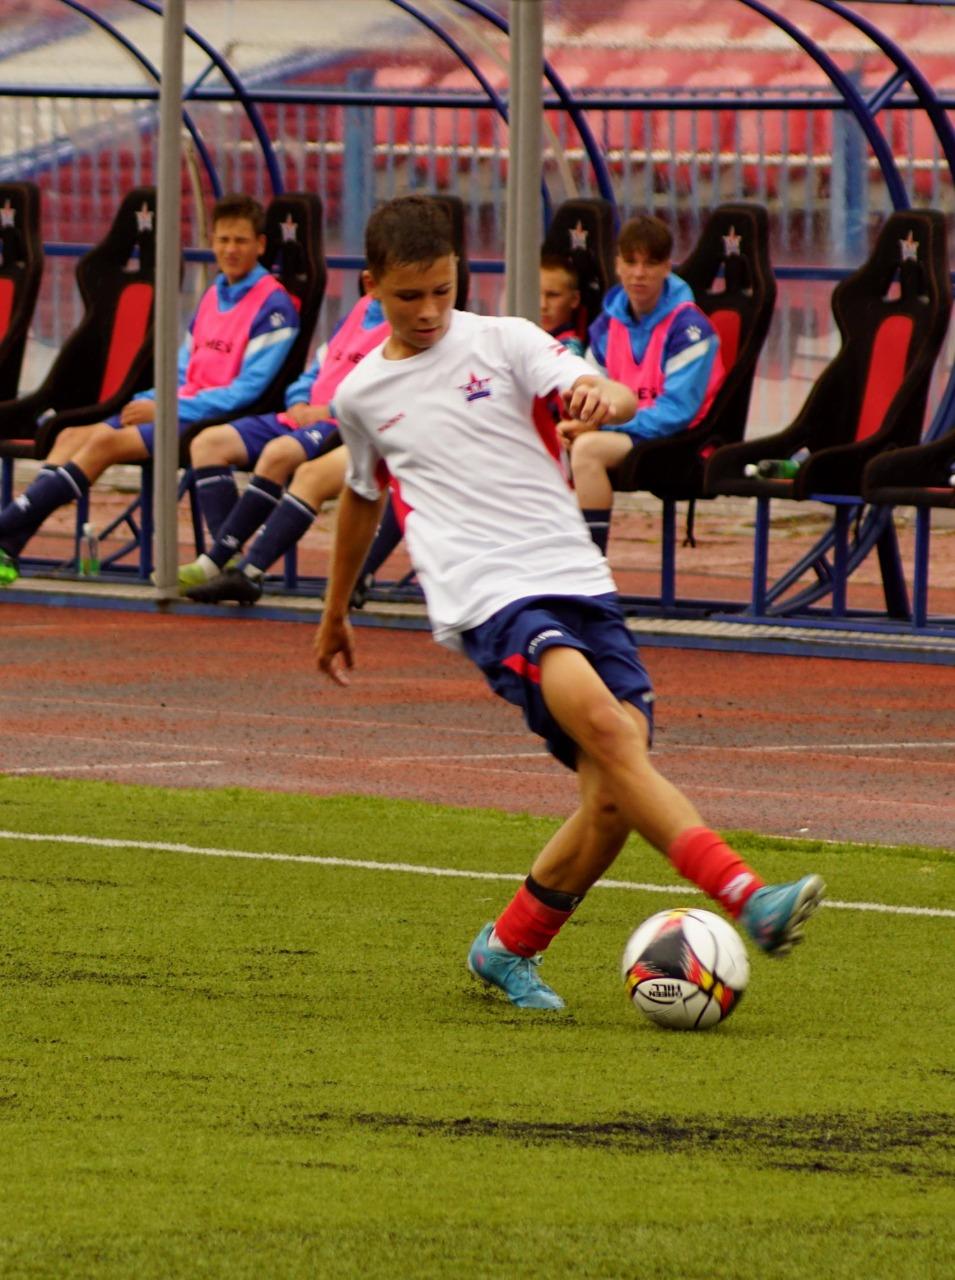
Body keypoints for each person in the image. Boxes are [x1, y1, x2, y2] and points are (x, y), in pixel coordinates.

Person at [314, 194, 824, 1012]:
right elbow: (362, 496)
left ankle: (507, 947)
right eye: (408, 296)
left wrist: (598, 398)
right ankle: (746, 895)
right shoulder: (362, 394)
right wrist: (334, 612)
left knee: (614, 793)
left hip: (575, 575)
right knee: (610, 733)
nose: (429, 310)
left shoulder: (504, 340)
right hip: (486, 595)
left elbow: (606, 392)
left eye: (442, 289)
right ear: (371, 287)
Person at [0, 193, 300, 584]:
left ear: (260, 245)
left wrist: (168, 410)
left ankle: (5, 529)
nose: (230, 249)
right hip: (182, 408)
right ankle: (9, 548)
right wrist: (151, 400)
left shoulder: (275, 305)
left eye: (240, 241)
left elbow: (248, 390)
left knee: (103, 443)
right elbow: (182, 370)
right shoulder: (213, 294)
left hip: (218, 419)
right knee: (71, 435)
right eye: (223, 240)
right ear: (211, 242)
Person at [350, 251, 592, 608]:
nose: (542, 303)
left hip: (533, 474)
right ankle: (363, 573)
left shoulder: (533, 341)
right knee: (415, 473)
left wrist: (584, 414)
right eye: (410, 296)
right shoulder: (370, 372)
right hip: (473, 512)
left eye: (552, 295)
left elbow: (583, 393)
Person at [177, 290, 389, 601]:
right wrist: (299, 400)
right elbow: (314, 370)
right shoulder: (355, 313)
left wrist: (327, 410)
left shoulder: (406, 326)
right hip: (301, 415)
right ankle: (228, 561)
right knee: (208, 443)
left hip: (340, 424)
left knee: (279, 454)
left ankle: (220, 564)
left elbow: (382, 394)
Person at [568, 213, 724, 555]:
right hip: (627, 432)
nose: (639, 273)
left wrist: (602, 428)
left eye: (651, 263)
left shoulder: (690, 329)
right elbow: (591, 386)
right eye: (631, 262)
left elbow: (677, 412)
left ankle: (591, 565)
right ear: (617, 264)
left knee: (587, 450)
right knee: (546, 442)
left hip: (683, 443)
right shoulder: (607, 324)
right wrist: (579, 421)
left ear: (667, 267)